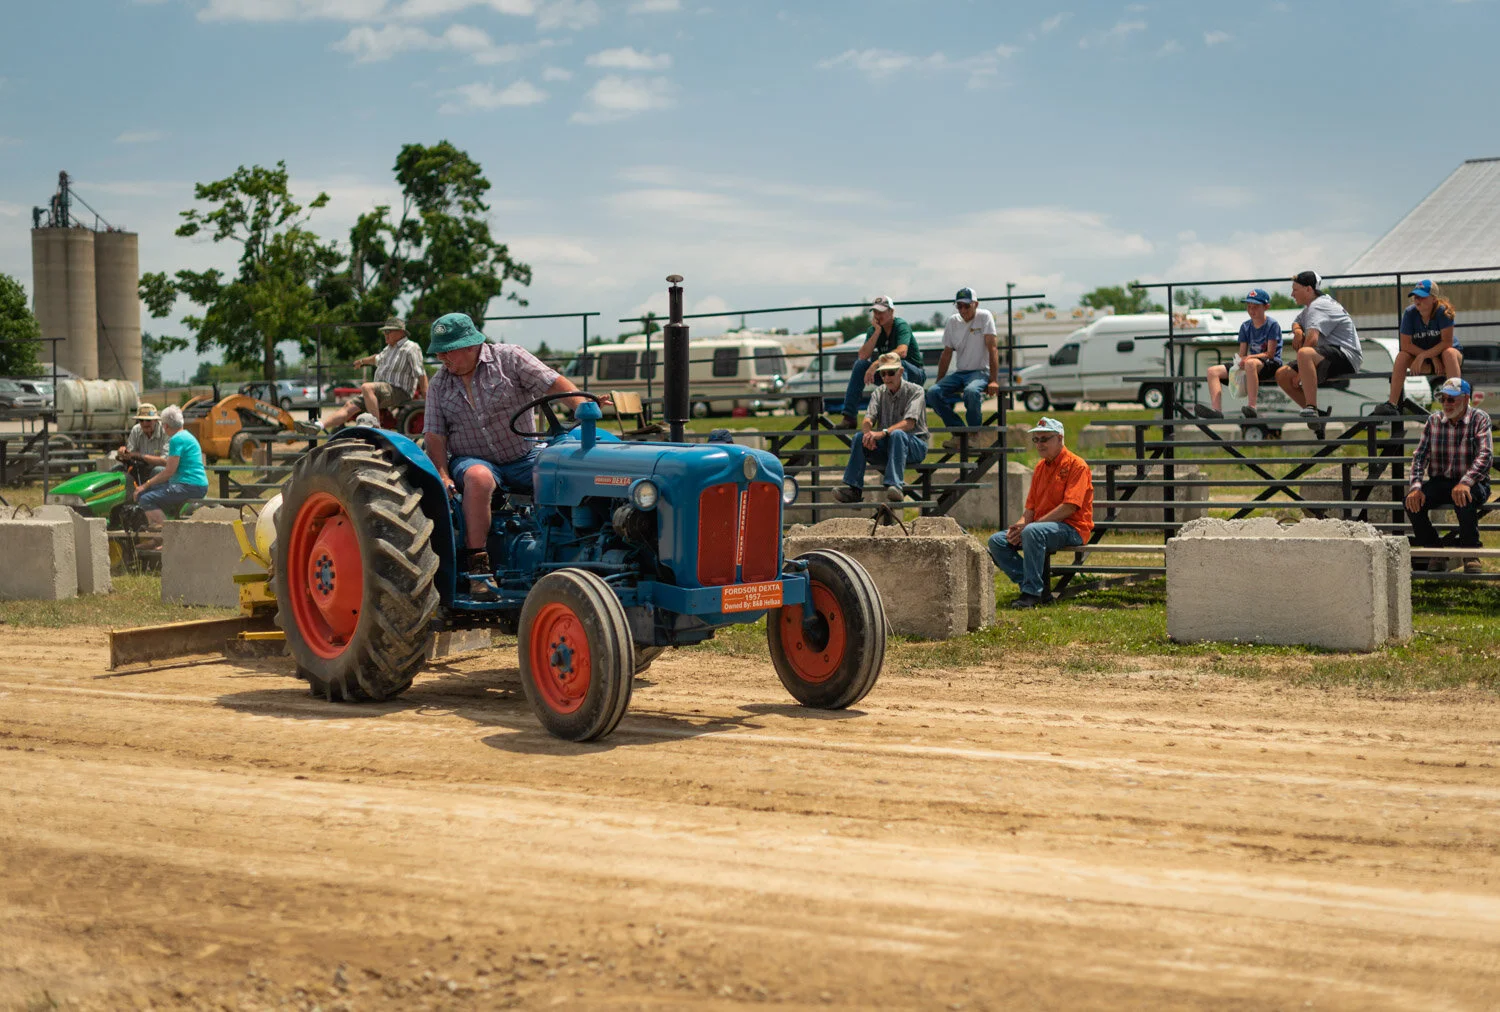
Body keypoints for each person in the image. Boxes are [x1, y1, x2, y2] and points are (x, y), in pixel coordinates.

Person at [422, 312, 593, 593]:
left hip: (523, 454)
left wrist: (583, 408)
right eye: (438, 353)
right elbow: (434, 434)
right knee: (478, 478)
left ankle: (564, 551)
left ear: (469, 345)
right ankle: (478, 565)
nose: (442, 359)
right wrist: (442, 473)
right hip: (473, 459)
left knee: (561, 470)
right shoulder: (440, 384)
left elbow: (552, 383)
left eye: (447, 352)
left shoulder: (510, 359)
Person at [986, 417, 1094, 609]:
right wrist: (1020, 525)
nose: (1039, 444)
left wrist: (1032, 526)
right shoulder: (1040, 467)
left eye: (1045, 439)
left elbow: (1070, 507)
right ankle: (1036, 585)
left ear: (1059, 439)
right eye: (1036, 440)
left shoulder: (1077, 465)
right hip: (1040, 528)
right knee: (997, 541)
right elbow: (1030, 508)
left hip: (1073, 528)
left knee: (1032, 532)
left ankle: (1031, 594)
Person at [1405, 378, 1491, 574]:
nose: (1446, 404)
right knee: (1411, 503)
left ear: (1466, 399)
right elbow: (1419, 456)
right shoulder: (1433, 420)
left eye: (1451, 400)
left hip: (1474, 481)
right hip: (1441, 481)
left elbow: (1485, 456)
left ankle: (1470, 552)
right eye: (1443, 399)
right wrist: (1416, 487)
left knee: (1463, 497)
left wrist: (1466, 482)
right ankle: (1435, 552)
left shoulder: (1480, 418)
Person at [834, 352, 930, 503]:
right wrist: (868, 435)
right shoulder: (878, 392)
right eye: (883, 373)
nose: (886, 377)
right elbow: (868, 419)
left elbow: (909, 423)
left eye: (891, 372)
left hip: (915, 445)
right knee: (859, 437)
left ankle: (895, 486)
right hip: (889, 444)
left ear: (901, 371)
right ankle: (853, 489)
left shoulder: (916, 391)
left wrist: (883, 433)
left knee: (897, 434)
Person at [1276, 270, 1362, 432]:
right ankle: (1319, 416)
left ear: (1309, 289)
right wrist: (1297, 331)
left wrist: (1301, 374)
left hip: (1347, 356)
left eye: (1295, 290)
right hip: (1328, 355)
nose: (1291, 294)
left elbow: (1312, 340)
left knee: (1304, 352)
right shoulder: (1311, 307)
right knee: (1282, 375)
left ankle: (1311, 407)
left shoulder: (1319, 306)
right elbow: (1297, 321)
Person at [1374, 279, 1462, 416]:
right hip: (1426, 361)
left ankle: (1455, 401)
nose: (1417, 300)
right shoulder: (1410, 313)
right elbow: (1405, 345)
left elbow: (1447, 343)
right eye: (1415, 296)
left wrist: (1424, 355)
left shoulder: (1444, 312)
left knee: (1449, 353)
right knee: (1402, 356)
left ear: (1433, 298)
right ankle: (1392, 404)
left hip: (1446, 360)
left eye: (1422, 296)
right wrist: (1429, 357)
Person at [322, 317, 428, 430]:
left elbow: (421, 373)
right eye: (384, 331)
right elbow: (376, 358)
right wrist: (362, 361)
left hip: (400, 391)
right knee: (349, 406)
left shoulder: (411, 347)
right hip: (381, 391)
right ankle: (319, 425)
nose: (385, 334)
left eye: (388, 331)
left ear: (400, 332)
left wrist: (428, 400)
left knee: (367, 387)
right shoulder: (388, 349)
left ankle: (375, 426)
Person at [926, 286, 1000, 443]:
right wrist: (939, 380)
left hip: (980, 371)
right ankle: (959, 432)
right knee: (932, 393)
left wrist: (993, 380)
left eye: (967, 305)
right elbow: (946, 353)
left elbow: (992, 348)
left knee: (971, 392)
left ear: (976, 304)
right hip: (960, 373)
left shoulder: (985, 317)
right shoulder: (953, 321)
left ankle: (974, 435)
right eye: (959, 306)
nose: (963, 309)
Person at [839, 296, 925, 428]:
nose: (878, 316)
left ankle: (901, 418)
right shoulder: (874, 330)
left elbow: (902, 352)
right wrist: (877, 332)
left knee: (899, 365)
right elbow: (862, 355)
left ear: (891, 312)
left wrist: (876, 363)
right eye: (875, 312)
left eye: (881, 312)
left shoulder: (901, 325)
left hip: (913, 373)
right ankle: (849, 417)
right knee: (859, 365)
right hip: (888, 373)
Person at [1198, 288, 1282, 419]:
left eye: (1256, 307)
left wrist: (1248, 358)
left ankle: (1252, 406)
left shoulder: (1272, 325)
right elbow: (1242, 352)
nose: (1251, 310)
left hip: (1270, 364)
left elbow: (1270, 354)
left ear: (1266, 307)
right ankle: (1216, 410)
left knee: (1249, 363)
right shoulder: (1245, 326)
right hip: (1252, 362)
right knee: (1212, 371)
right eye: (1249, 307)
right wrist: (1240, 361)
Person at [132, 404, 208, 531]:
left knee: (145, 499)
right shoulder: (186, 435)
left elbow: (168, 471)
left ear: (165, 425)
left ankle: (167, 535)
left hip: (189, 486)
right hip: (194, 484)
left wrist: (145, 485)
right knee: (149, 492)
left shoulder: (176, 440)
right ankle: (155, 532)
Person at [118, 402, 169, 480]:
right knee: (117, 469)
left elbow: (165, 461)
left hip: (162, 471)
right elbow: (130, 454)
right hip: (141, 468)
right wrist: (123, 453)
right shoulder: (136, 430)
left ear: (155, 420)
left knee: (158, 470)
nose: (145, 423)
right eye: (141, 420)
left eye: (148, 420)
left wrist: (140, 456)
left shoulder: (165, 431)